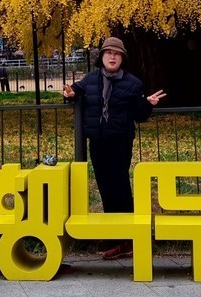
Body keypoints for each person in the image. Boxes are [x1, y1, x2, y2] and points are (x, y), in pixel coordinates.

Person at [64, 36, 166, 259]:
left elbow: (139, 115)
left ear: (122, 58)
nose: (112, 57)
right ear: (102, 56)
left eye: (117, 54)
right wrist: (70, 94)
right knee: (104, 187)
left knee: (120, 187)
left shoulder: (133, 83)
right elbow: (75, 90)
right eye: (109, 53)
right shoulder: (91, 79)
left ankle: (128, 239)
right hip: (97, 142)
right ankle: (114, 238)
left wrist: (148, 104)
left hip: (120, 143)